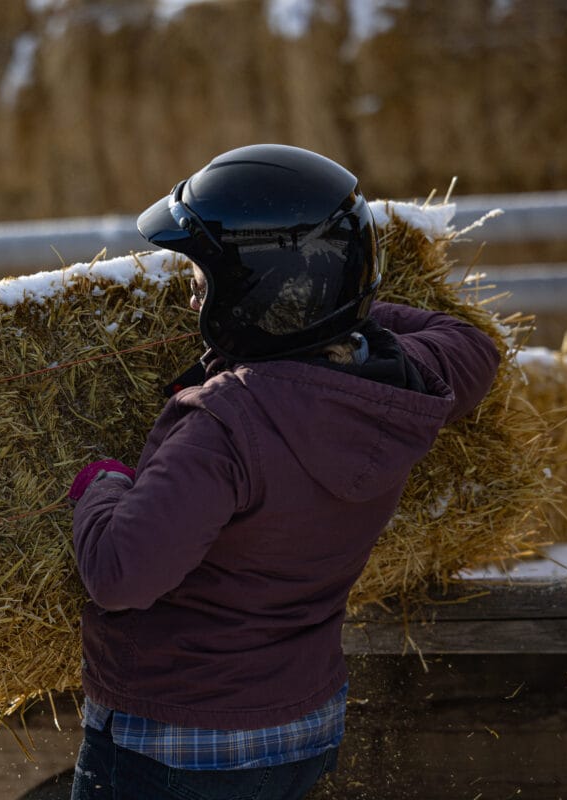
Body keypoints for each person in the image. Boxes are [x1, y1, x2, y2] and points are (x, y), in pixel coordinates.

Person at [65, 144, 500, 800]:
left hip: (181, 740)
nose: (192, 300)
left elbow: (122, 574)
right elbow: (471, 344)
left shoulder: (224, 425)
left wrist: (101, 484)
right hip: (302, 725)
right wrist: (334, 314)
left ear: (257, 292)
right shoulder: (404, 389)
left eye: (204, 280)